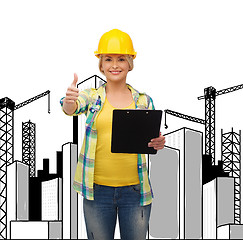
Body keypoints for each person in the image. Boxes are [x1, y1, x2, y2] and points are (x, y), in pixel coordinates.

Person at [60, 29, 165, 240]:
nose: (114, 65)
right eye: (108, 59)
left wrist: (158, 142)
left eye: (120, 59)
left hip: (135, 192)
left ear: (129, 63)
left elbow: (152, 139)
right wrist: (70, 101)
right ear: (101, 64)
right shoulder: (91, 97)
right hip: (97, 192)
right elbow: (70, 108)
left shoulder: (143, 101)